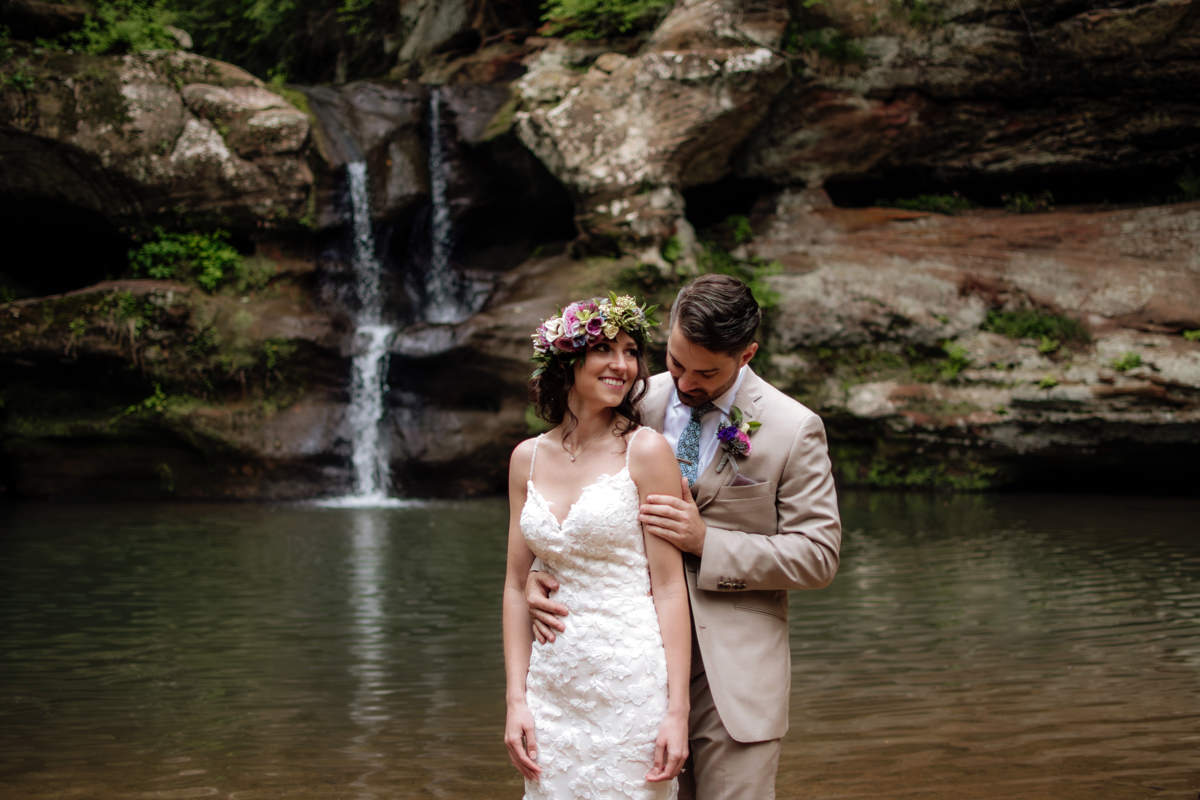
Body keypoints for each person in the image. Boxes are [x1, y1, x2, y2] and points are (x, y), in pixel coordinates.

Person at [528, 275, 842, 800]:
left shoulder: (793, 428)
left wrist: (706, 541)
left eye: (707, 372)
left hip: (734, 675)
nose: (685, 381)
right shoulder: (634, 398)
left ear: (747, 354)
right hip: (628, 662)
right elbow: (577, 494)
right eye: (676, 362)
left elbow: (818, 556)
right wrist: (545, 572)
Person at [502, 294, 693, 799]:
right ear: (567, 360)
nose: (623, 364)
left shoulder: (647, 450)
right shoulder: (526, 458)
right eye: (605, 349)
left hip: (629, 681)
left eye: (631, 351)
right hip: (551, 684)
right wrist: (516, 700)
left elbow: (670, 588)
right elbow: (513, 585)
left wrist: (677, 710)